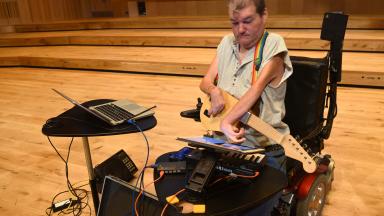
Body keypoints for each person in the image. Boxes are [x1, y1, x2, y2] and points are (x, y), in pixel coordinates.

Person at [199, 0, 293, 214]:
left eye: (248, 21)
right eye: (234, 23)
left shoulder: (274, 46)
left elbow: (255, 90)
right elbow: (205, 81)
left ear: (264, 15)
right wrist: (214, 92)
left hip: (262, 148)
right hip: (222, 144)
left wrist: (226, 120)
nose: (240, 29)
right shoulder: (226, 43)